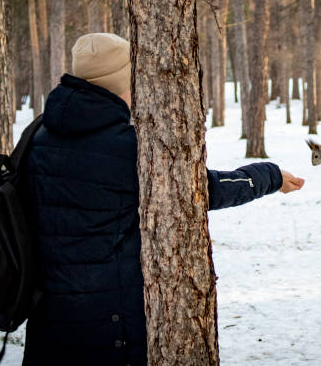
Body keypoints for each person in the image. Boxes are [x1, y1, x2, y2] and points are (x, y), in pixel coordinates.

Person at [22, 33, 305, 365]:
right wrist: (269, 176)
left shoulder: (38, 137)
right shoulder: (127, 149)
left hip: (50, 323)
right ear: (121, 82)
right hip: (113, 326)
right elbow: (199, 189)